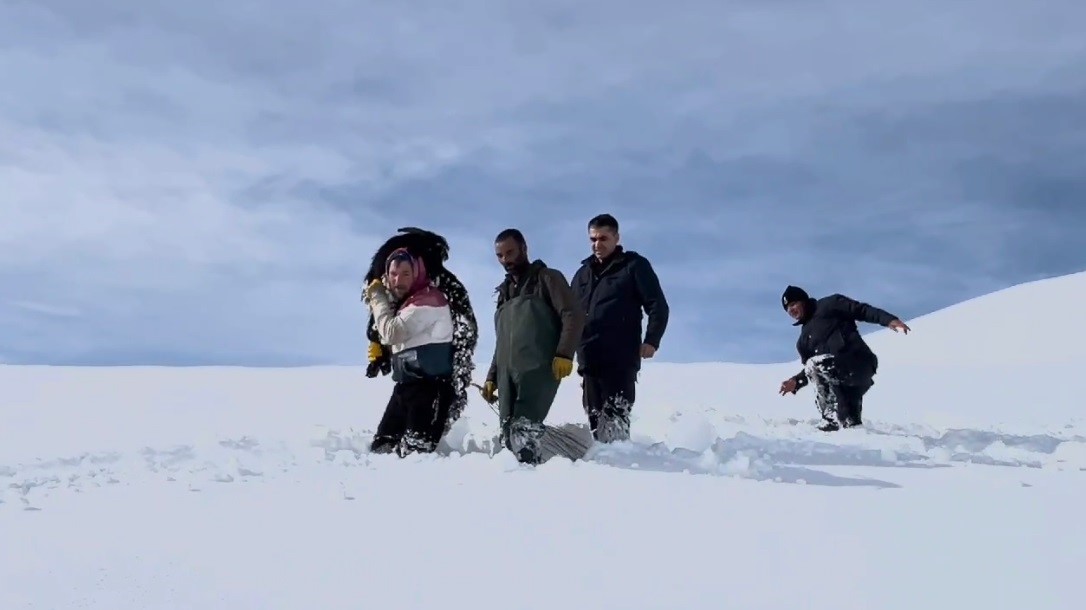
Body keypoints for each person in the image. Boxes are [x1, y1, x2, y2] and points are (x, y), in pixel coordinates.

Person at [480, 228, 586, 464]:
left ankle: (530, 483)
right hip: (508, 373)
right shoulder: (504, 293)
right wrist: (492, 377)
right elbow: (503, 341)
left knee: (524, 429)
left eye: (510, 253)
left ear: (524, 249)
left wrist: (565, 353)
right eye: (499, 256)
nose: (505, 260)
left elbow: (573, 314)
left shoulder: (547, 278)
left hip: (537, 368)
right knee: (509, 434)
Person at [569, 213, 669, 442]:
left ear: (616, 238)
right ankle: (601, 467)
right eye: (593, 239)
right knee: (594, 419)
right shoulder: (582, 274)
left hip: (620, 356)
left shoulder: (633, 266)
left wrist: (652, 340)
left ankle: (620, 465)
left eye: (603, 238)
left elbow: (657, 305)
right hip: (589, 357)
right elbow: (568, 314)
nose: (597, 244)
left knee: (615, 418)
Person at [363, 247, 457, 455]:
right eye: (393, 274)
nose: (399, 280)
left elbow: (392, 332)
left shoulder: (429, 301)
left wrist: (377, 297)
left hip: (430, 391)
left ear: (417, 273)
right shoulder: (406, 305)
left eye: (406, 273)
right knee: (381, 448)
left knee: (417, 455)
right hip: (405, 388)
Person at [778, 285, 910, 431]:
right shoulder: (803, 342)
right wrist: (796, 381)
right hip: (841, 384)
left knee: (814, 365)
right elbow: (813, 372)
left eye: (793, 303)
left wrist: (889, 320)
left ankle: (829, 418)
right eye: (787, 308)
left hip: (857, 362)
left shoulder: (830, 304)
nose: (791, 310)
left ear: (804, 300)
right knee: (849, 426)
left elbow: (861, 310)